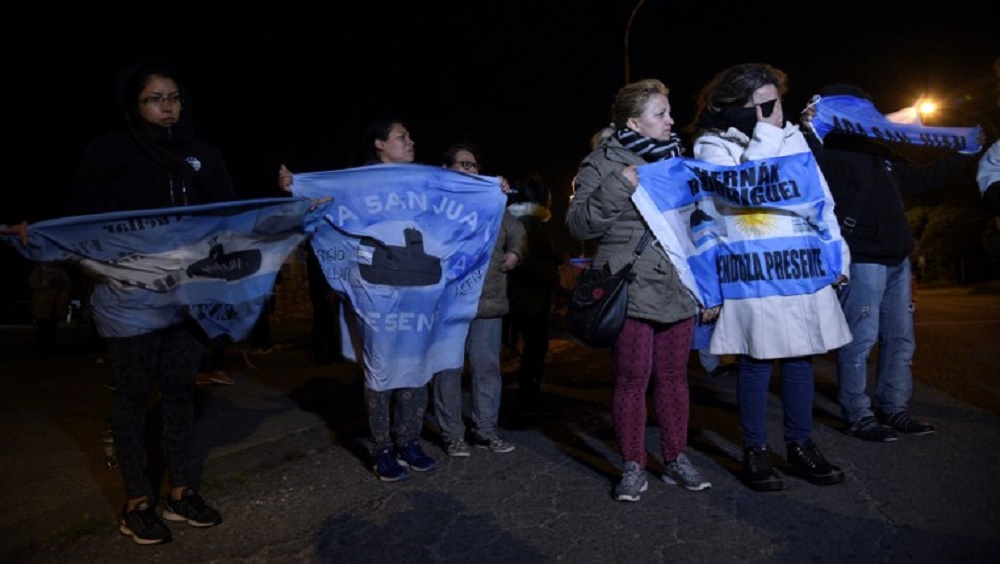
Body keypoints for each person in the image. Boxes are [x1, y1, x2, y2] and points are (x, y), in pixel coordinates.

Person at [69, 60, 231, 544]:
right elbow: (82, 219)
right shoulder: (111, 151)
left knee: (181, 393)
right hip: (128, 298)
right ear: (134, 105)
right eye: (155, 98)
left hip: (187, 298)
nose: (167, 107)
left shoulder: (204, 154)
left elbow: (228, 216)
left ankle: (180, 493)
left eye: (174, 97)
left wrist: (293, 203)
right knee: (135, 397)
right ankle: (136, 501)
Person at [687, 63, 851, 492]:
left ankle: (800, 445)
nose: (778, 112)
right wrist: (767, 137)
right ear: (740, 106)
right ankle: (755, 450)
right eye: (766, 105)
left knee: (801, 358)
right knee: (756, 361)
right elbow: (742, 190)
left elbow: (820, 199)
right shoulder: (711, 145)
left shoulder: (794, 137)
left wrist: (839, 258)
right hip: (752, 273)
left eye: (778, 103)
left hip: (800, 268)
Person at [800, 83, 982, 442]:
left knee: (901, 339)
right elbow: (809, 174)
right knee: (861, 340)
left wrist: (965, 152)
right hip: (865, 257)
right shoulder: (828, 149)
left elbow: (922, 177)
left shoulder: (879, 150)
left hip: (898, 259)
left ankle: (894, 409)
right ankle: (858, 414)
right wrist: (809, 131)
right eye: (857, 108)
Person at [566, 78, 711, 502]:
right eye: (660, 114)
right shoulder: (602, 162)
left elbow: (698, 227)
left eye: (668, 112)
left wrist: (708, 288)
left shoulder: (680, 162)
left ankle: (676, 458)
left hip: (678, 285)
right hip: (628, 286)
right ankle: (633, 465)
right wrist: (620, 183)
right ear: (634, 121)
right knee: (632, 380)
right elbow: (579, 225)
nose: (671, 121)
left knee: (674, 379)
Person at [280, 119, 437, 482]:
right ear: (380, 145)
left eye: (410, 136)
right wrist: (296, 189)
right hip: (375, 288)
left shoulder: (422, 181)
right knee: (381, 367)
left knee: (414, 365)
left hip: (415, 288)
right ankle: (382, 448)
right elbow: (320, 209)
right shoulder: (356, 183)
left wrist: (492, 189)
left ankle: (409, 441)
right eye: (402, 137)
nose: (411, 141)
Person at [431, 142, 524, 457]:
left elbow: (517, 231)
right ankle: (452, 434)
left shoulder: (492, 201)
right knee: (448, 369)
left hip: (488, 300)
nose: (471, 170)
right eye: (463, 165)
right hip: (448, 302)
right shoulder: (434, 203)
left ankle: (485, 430)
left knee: (487, 368)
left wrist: (513, 252)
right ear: (447, 169)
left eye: (474, 165)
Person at [505, 175, 561, 412]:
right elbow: (525, 261)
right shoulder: (527, 223)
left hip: (531, 297)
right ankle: (527, 398)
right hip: (528, 298)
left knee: (536, 348)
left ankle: (530, 394)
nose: (551, 199)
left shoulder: (529, 222)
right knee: (534, 349)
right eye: (547, 194)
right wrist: (553, 276)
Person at [28, 261, 72, 357]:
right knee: (42, 326)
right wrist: (44, 285)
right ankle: (41, 347)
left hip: (55, 303)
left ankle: (50, 347)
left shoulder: (60, 270)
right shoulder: (38, 270)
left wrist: (64, 293)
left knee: (52, 326)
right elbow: (32, 282)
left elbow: (67, 282)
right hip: (41, 303)